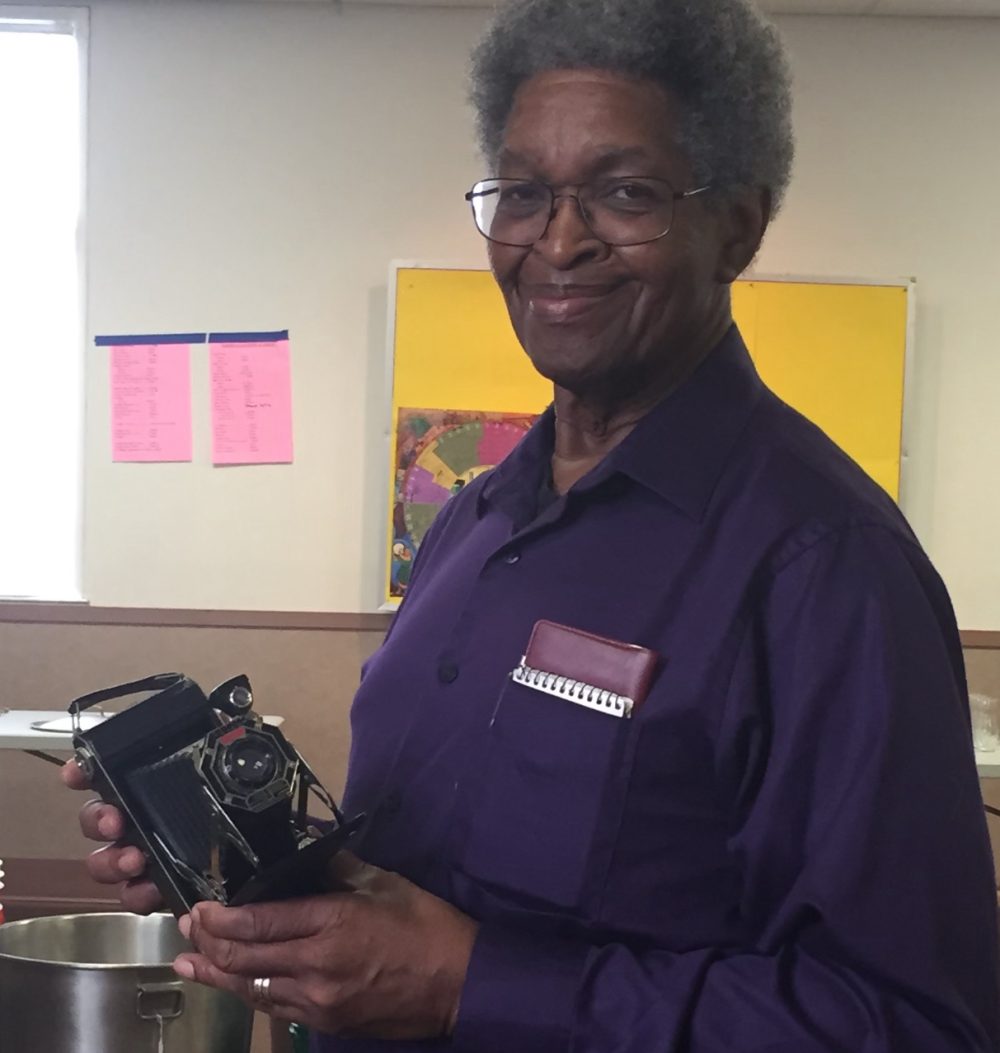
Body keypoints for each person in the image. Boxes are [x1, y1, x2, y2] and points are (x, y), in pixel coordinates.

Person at [64, 0, 999, 1049]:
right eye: (521, 193)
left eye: (625, 193)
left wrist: (472, 986)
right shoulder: (474, 521)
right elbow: (435, 882)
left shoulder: (824, 568)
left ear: (737, 226)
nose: (557, 242)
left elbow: (914, 1023)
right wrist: (256, 878)